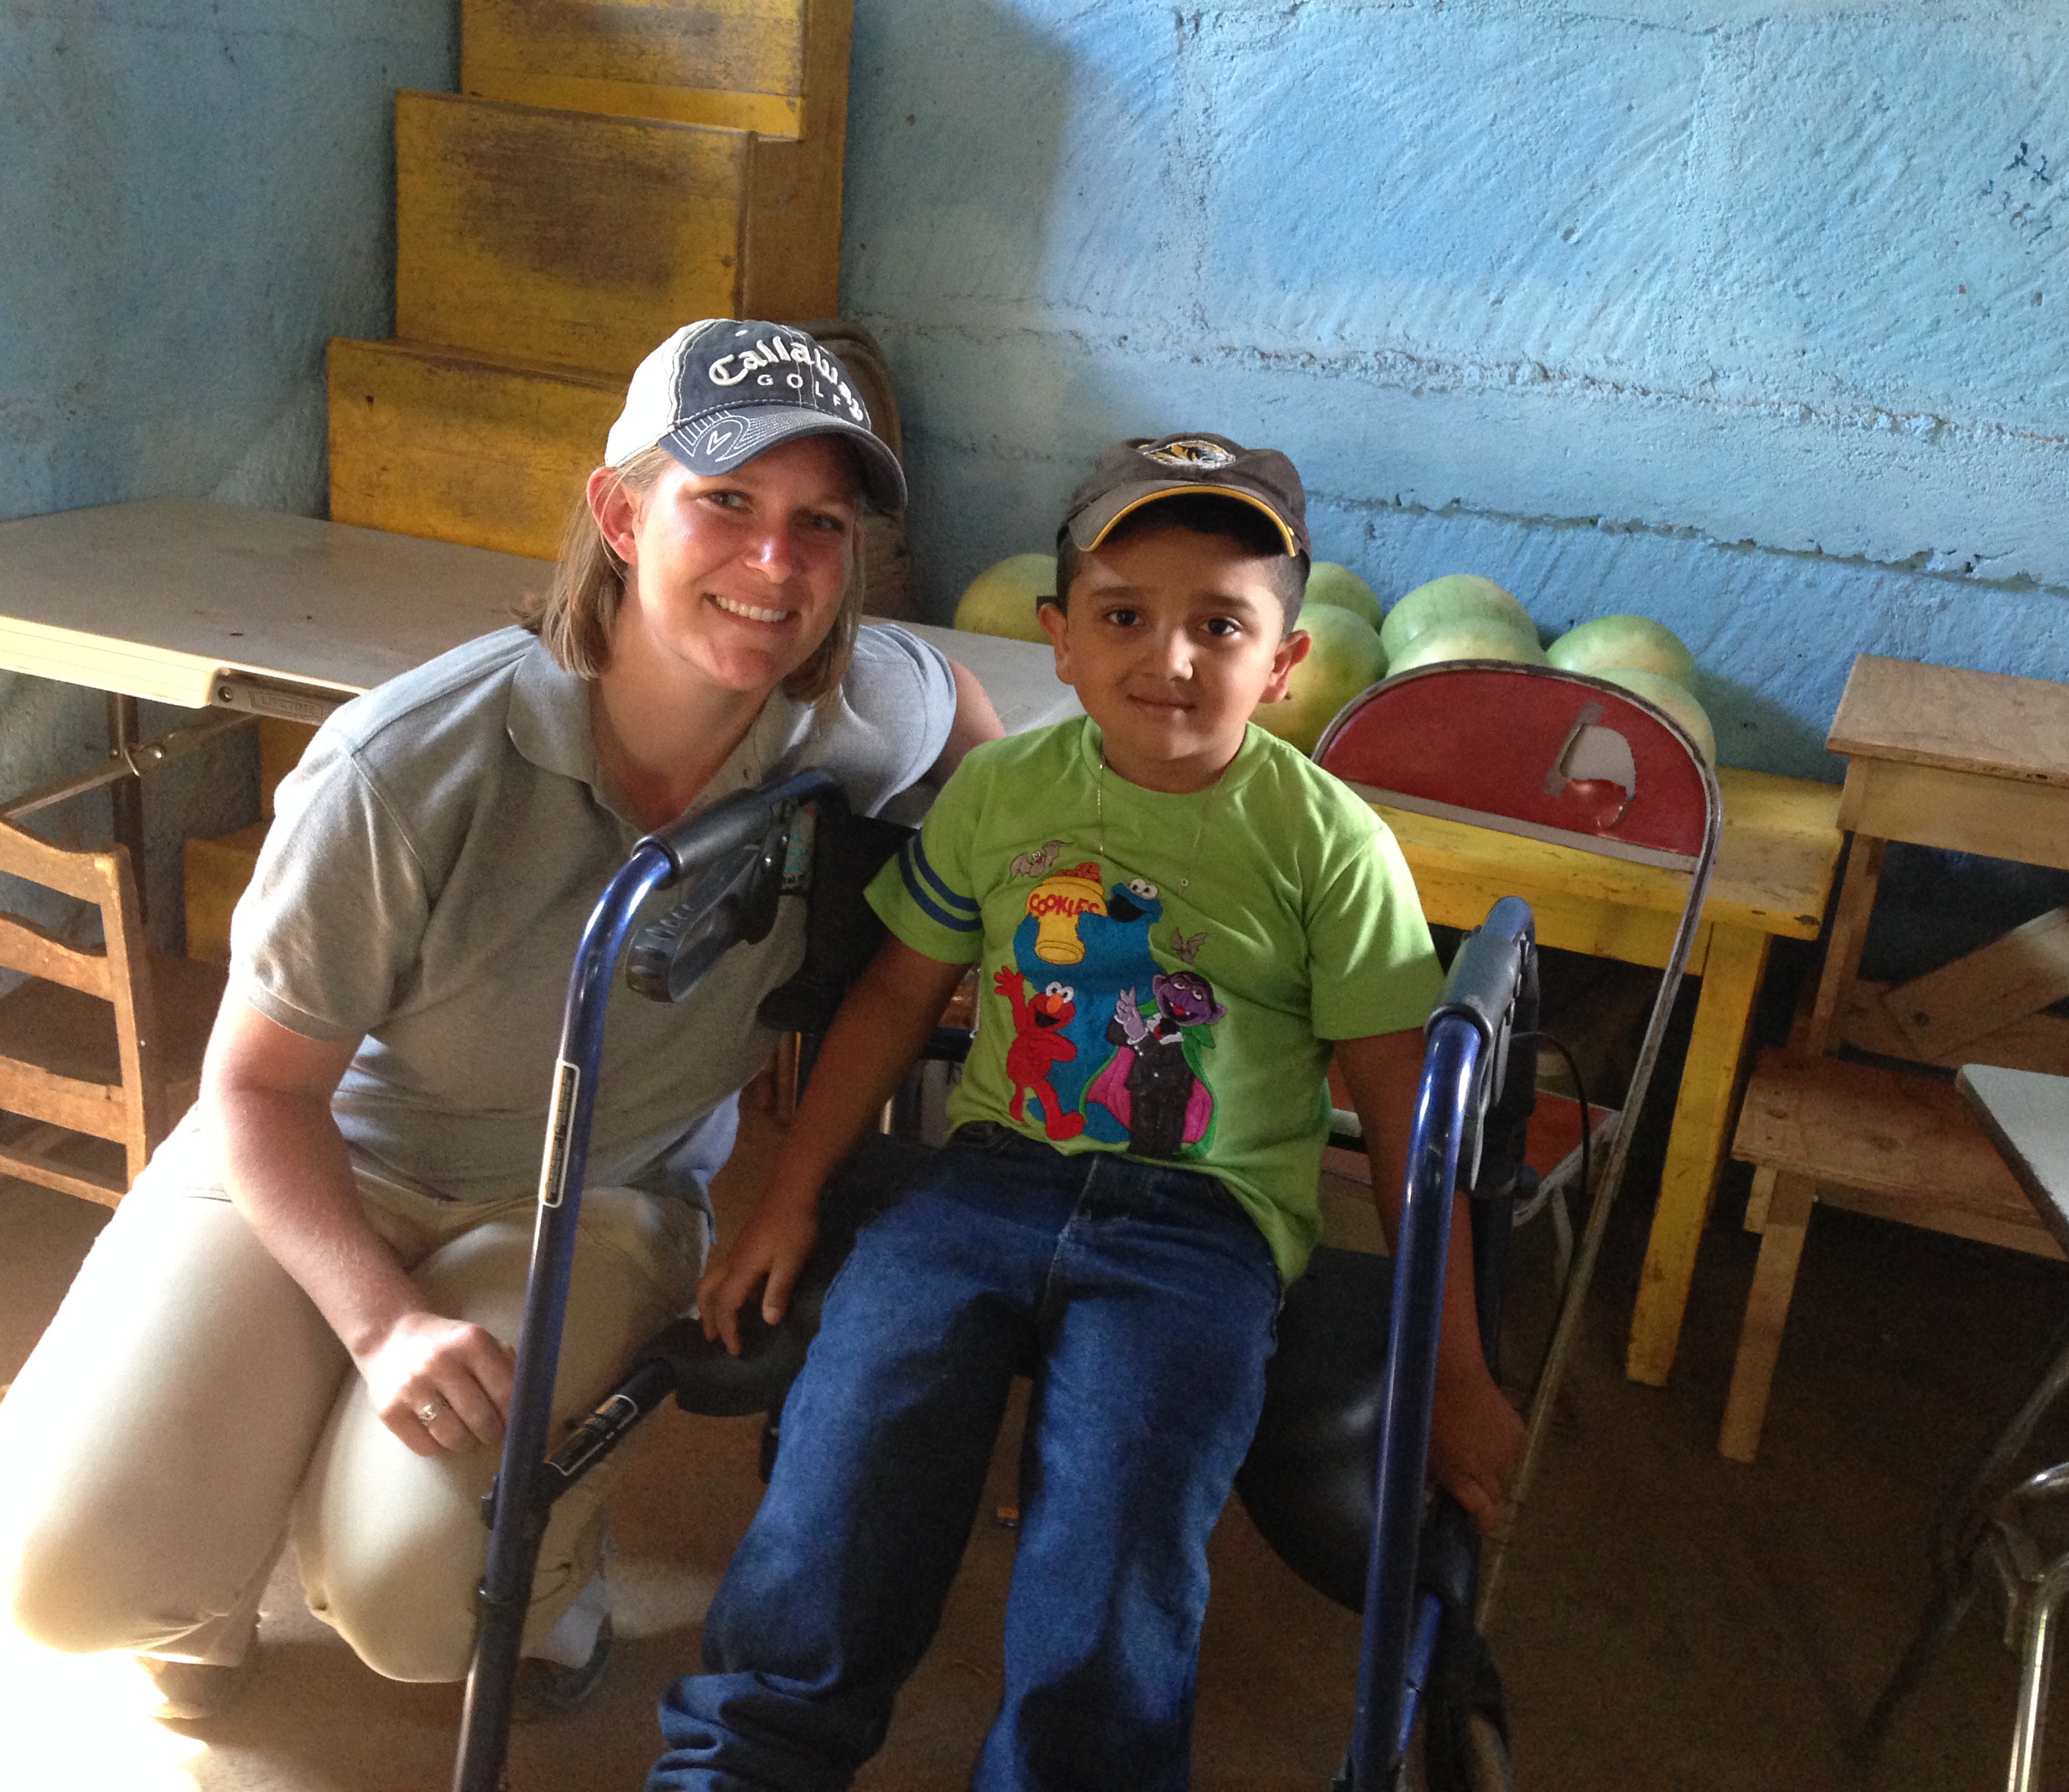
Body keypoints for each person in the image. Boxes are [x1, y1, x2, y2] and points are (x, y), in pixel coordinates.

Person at [0, 318, 1002, 1722]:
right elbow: (258, 1093)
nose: (776, 561)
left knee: (413, 1603)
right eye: (726, 501)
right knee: (58, 1577)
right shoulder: (403, 762)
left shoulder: (850, 702)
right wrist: (382, 1323)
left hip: (596, 1190)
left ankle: (544, 1575)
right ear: (620, 515)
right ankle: (206, 1558)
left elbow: (959, 706)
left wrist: (1007, 855)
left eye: (822, 522)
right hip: (331, 1151)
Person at [647, 433, 1526, 1790]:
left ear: (1283, 663)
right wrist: (788, 1196)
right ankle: (744, 1761)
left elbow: (1409, 1119)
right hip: (986, 1183)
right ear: (1059, 639)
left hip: (1206, 1229)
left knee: (1123, 1519)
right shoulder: (1006, 793)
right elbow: (892, 999)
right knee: (852, 1446)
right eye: (1124, 616)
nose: (1168, 657)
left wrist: (1453, 1370)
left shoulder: (1330, 844)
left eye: (1219, 625)